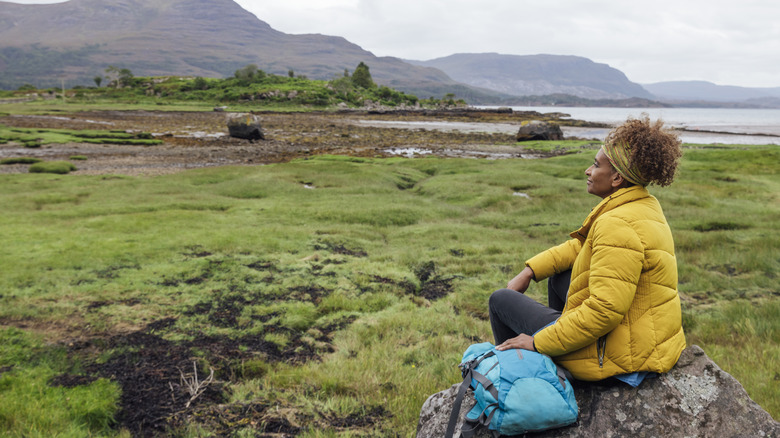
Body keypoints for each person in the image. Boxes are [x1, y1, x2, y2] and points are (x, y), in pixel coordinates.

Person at [489, 115, 686, 384]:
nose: (588, 171)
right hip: (642, 341)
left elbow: (604, 311)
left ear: (617, 178)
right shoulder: (642, 206)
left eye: (595, 165)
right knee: (560, 275)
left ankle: (523, 379)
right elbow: (582, 247)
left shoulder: (617, 224)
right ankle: (559, 356)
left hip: (617, 356)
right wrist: (531, 270)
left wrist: (538, 342)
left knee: (500, 300)